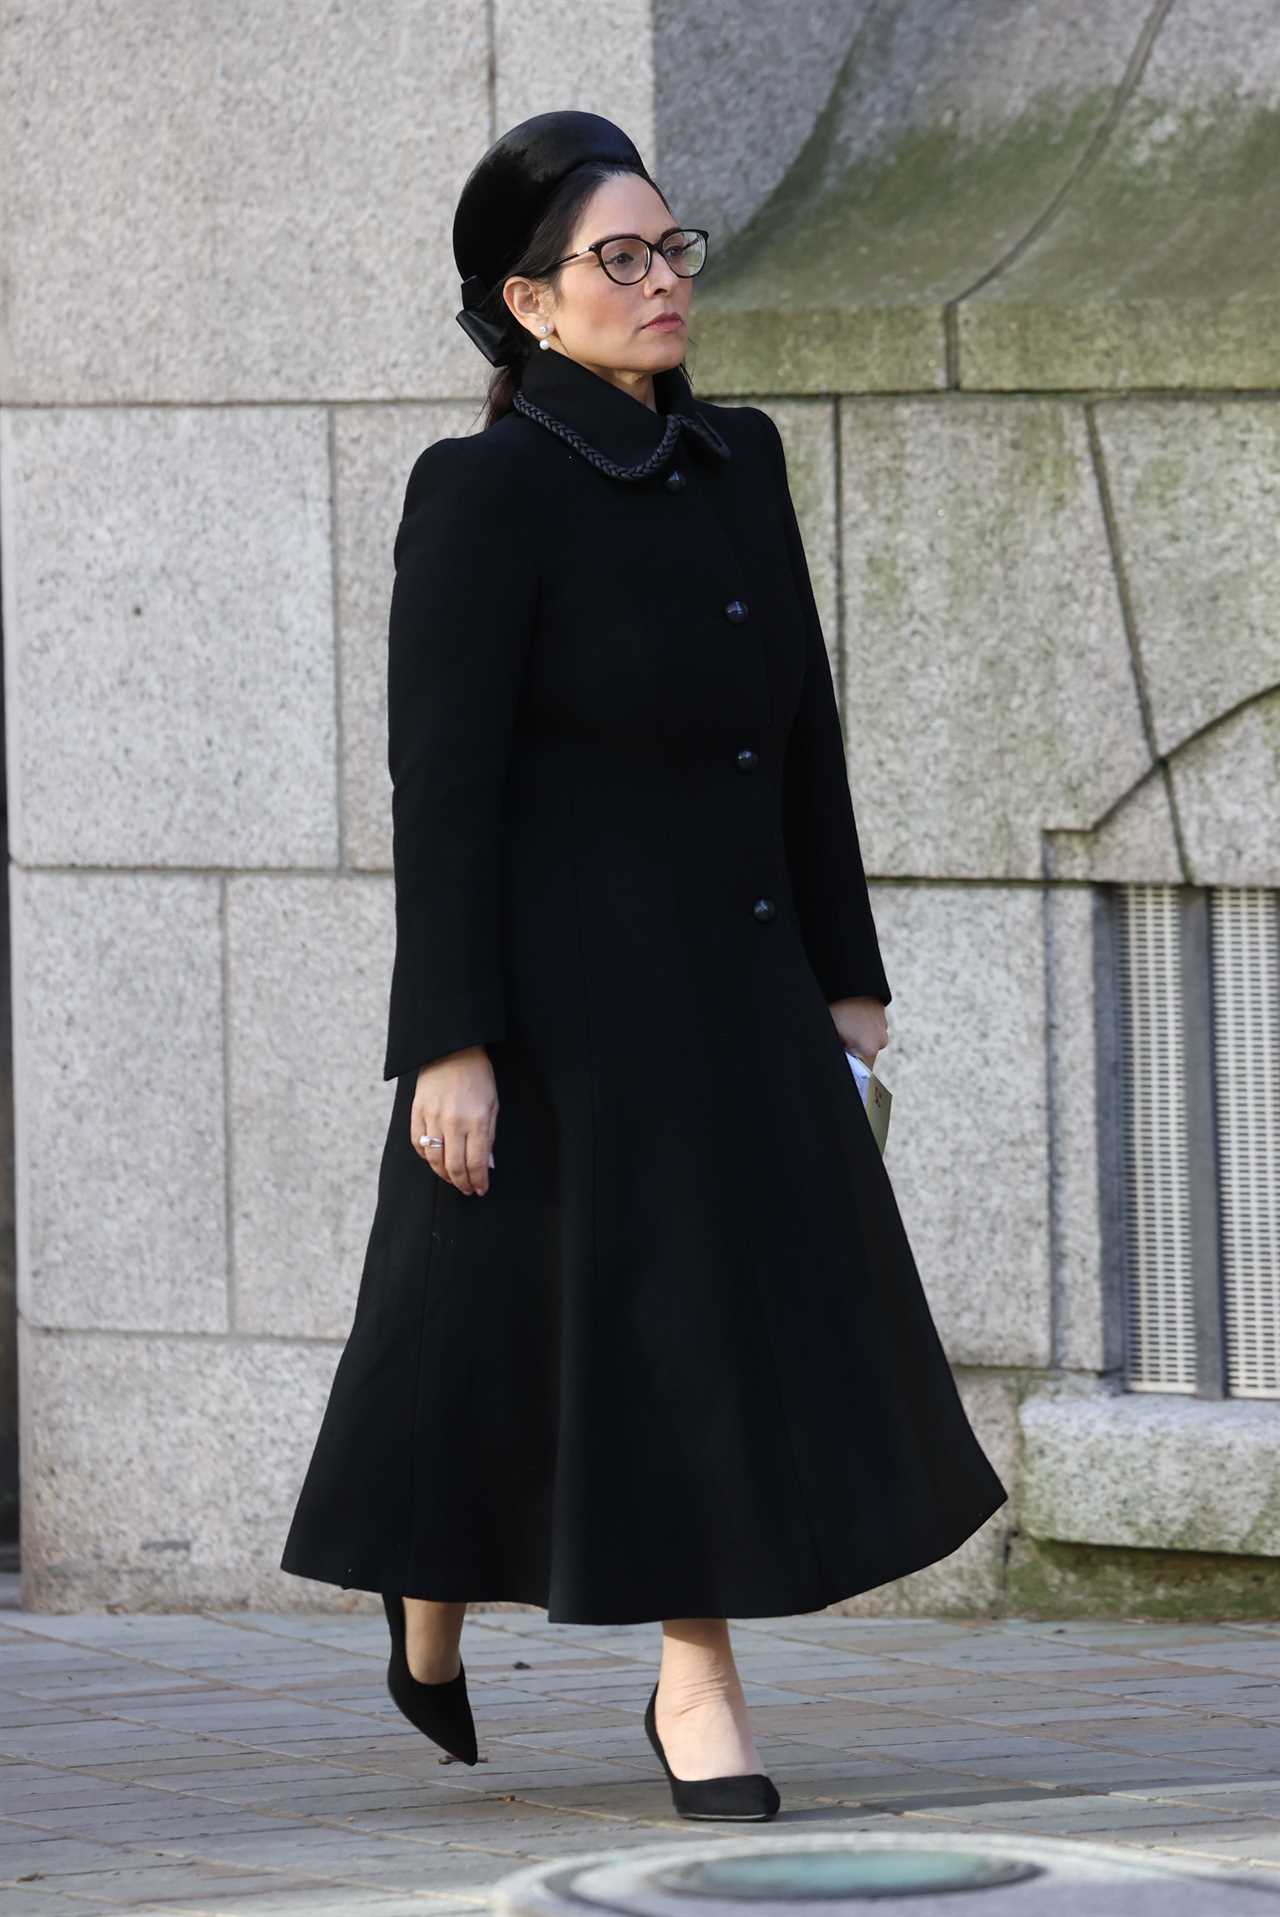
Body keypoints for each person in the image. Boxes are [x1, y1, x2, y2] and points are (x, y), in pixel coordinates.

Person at [280, 109, 1008, 1822]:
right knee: (484, 1338)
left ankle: (695, 1681)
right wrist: (444, 1041)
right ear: (528, 305)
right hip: (555, 1011)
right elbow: (437, 784)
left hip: (740, 982)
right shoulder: (481, 492)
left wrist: (849, 970)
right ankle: (436, 1610)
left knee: (692, 1333)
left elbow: (804, 731)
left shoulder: (736, 461)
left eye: (675, 249)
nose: (665, 281)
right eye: (621, 258)